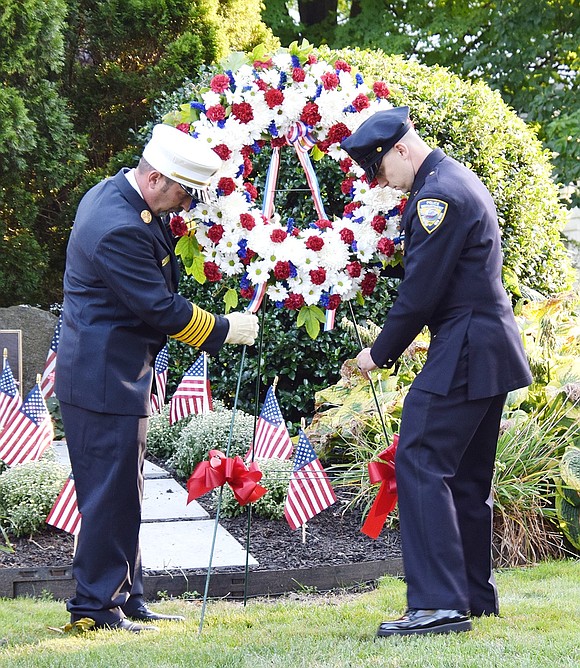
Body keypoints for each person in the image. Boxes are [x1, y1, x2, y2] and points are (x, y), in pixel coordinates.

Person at [55, 124, 259, 633]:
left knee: (125, 493)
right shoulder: (118, 224)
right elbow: (158, 307)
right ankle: (94, 608)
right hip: (105, 379)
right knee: (108, 496)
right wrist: (224, 329)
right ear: (156, 180)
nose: (184, 205)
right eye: (181, 193)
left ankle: (125, 596)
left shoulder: (116, 195)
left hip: (115, 373)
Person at [341, 107, 532, 637]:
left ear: (400, 149)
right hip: (484, 345)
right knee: (466, 477)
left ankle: (438, 606)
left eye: (379, 171)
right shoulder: (453, 178)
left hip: (466, 346)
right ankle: (471, 595)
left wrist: (377, 353)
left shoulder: (435, 196)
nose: (381, 183)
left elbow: (421, 292)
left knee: (420, 460)